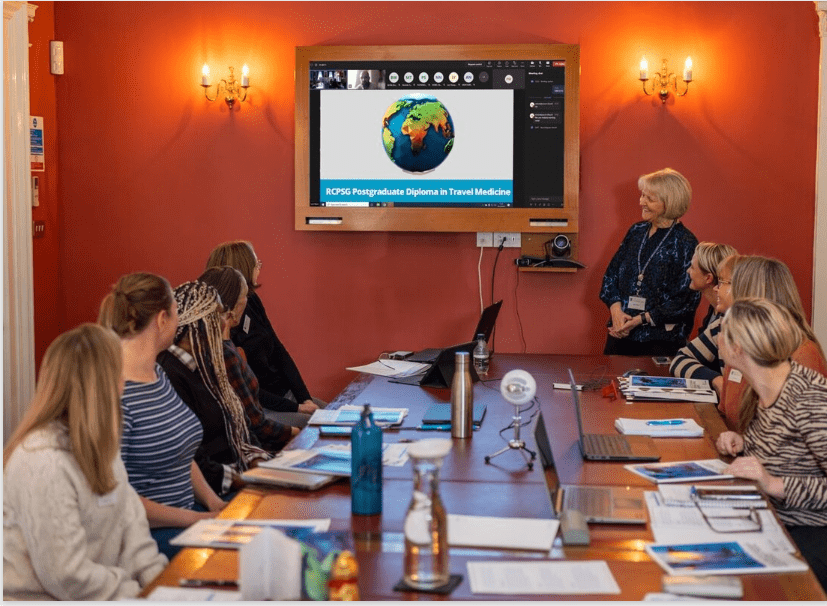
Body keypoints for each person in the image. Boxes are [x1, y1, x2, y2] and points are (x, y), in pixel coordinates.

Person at [3, 324, 167, 600]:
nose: (125, 381)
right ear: (105, 383)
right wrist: (135, 593)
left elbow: (132, 528)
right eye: (120, 372)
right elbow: (65, 575)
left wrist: (159, 584)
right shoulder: (41, 461)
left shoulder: (100, 443)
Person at [98, 273, 226, 558]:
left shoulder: (159, 374)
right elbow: (117, 498)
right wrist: (196, 520)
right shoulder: (116, 394)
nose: (179, 322)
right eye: (177, 313)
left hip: (189, 519)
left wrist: (213, 501)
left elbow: (181, 452)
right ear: (161, 320)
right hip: (148, 539)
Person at [715, 299, 827, 588]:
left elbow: (774, 477)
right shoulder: (761, 388)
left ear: (738, 348)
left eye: (723, 331)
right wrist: (743, 442)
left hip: (808, 534)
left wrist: (773, 483)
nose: (717, 337)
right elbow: (783, 448)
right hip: (770, 520)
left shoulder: (809, 399)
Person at [158, 280, 271, 496]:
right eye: (219, 314)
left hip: (241, 474)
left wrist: (259, 462)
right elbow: (193, 459)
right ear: (200, 322)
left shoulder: (209, 364)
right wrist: (245, 480)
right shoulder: (170, 373)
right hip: (217, 488)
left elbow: (242, 426)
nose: (225, 322)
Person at [206, 241, 323, 427]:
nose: (259, 268)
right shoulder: (223, 327)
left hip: (284, 394)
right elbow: (244, 388)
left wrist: (305, 399)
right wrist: (296, 408)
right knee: (317, 425)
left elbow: (278, 350)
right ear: (242, 269)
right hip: (261, 406)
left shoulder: (251, 301)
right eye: (256, 263)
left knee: (332, 412)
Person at [716, 256, 827, 429]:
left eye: (731, 286)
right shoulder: (743, 346)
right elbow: (726, 415)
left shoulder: (803, 355)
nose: (722, 291)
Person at [599, 168, 700, 356]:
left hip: (660, 342)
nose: (641, 202)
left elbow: (685, 301)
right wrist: (616, 312)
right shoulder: (636, 231)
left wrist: (639, 320)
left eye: (650, 199)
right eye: (642, 196)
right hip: (620, 335)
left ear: (669, 203)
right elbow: (610, 276)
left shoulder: (686, 243)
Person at [198, 265, 300, 448]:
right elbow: (256, 425)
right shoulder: (225, 355)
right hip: (252, 439)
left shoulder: (213, 346)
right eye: (245, 296)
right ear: (234, 306)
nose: (248, 300)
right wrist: (296, 433)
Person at [670, 252, 739, 392]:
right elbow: (679, 360)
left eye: (722, 282)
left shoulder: (768, 336)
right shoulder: (721, 324)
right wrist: (716, 380)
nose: (716, 288)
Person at [686, 242, 738, 333]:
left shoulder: (729, 318)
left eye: (692, 267)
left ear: (708, 278)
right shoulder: (714, 308)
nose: (688, 271)